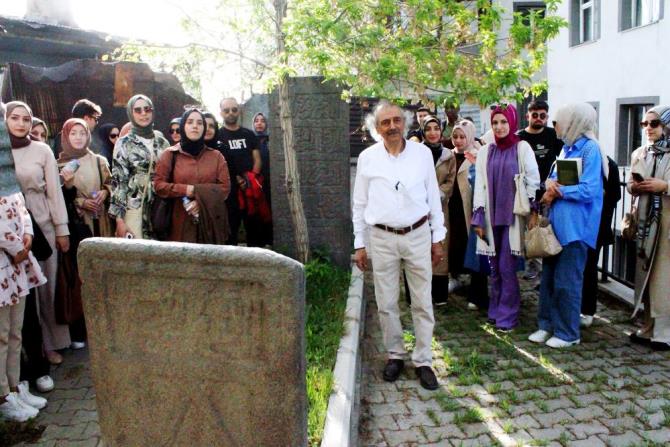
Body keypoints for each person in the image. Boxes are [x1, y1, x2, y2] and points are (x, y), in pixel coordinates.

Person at [353, 101, 445, 390]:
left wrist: (437, 237)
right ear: (376, 128)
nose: (392, 126)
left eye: (396, 120)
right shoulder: (367, 158)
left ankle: (424, 360)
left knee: (421, 300)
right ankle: (395, 354)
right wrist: (359, 243)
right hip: (381, 238)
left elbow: (433, 198)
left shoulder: (421, 155)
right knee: (387, 301)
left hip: (417, 234)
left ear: (404, 123)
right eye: (385, 122)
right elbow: (359, 204)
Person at [529, 103, 604, 348]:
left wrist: (558, 191)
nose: (555, 125)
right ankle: (546, 325)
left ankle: (568, 333)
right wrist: (550, 184)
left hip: (576, 229)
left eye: (558, 121)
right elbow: (554, 177)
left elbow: (590, 189)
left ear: (574, 122)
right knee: (549, 280)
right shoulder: (567, 148)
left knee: (567, 283)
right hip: (557, 226)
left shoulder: (590, 149)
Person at [5, 101, 71, 365]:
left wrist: (61, 229)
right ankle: (23, 352)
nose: (21, 124)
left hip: (42, 221)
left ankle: (51, 344)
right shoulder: (2, 150)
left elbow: (55, 192)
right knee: (20, 295)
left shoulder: (42, 150)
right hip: (10, 230)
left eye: (26, 119)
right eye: (14, 118)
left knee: (47, 287)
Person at [472, 104, 540, 333]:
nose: (499, 127)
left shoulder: (522, 148)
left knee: (507, 267)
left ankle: (508, 315)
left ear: (511, 122)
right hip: (491, 218)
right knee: (494, 268)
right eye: (495, 122)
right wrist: (478, 215)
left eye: (503, 122)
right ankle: (496, 309)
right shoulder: (485, 151)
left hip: (513, 218)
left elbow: (533, 179)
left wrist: (531, 208)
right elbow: (480, 185)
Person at [0, 103, 48, 422]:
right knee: (1, 334)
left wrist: (27, 237)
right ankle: (3, 394)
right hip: (4, 261)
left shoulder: (8, 172)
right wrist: (13, 245)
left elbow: (20, 205)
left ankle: (16, 387)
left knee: (16, 331)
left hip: (18, 264)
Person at [153, 108, 231, 243]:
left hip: (209, 224)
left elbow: (225, 188)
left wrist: (200, 201)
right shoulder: (170, 154)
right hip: (178, 223)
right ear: (183, 126)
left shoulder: (216, 156)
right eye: (190, 122)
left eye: (200, 123)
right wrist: (186, 189)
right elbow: (159, 185)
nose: (195, 126)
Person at [628, 105, 670, 351]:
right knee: (645, 275)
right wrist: (635, 187)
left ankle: (664, 334)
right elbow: (631, 184)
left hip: (666, 226)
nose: (648, 129)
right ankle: (647, 328)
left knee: (663, 278)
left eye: (653, 123)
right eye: (644, 124)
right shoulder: (641, 152)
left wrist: (664, 186)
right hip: (646, 223)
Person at [109, 95, 170, 239]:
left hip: (159, 210)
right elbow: (119, 182)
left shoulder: (163, 143)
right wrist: (119, 220)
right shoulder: (124, 143)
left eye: (147, 109)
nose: (143, 113)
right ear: (131, 113)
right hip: (134, 210)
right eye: (138, 110)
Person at [518, 100, 564, 281]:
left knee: (546, 229)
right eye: (534, 115)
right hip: (527, 192)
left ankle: (546, 268)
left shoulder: (553, 136)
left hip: (549, 193)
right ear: (527, 115)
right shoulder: (519, 137)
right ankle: (532, 266)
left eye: (543, 116)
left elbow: (563, 161)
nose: (538, 119)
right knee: (529, 230)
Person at [449, 120, 489, 310]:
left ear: (470, 137)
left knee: (475, 249)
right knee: (455, 245)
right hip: (454, 209)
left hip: (471, 209)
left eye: (462, 136)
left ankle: (477, 292)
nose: (458, 140)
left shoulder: (478, 155)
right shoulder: (448, 156)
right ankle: (456, 278)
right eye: (455, 137)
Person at [580, 156, 620, 328]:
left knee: (589, 268)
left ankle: (587, 310)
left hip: (596, 226)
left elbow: (615, 196)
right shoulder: (574, 157)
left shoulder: (608, 164)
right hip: (580, 224)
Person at [218, 98, 264, 246]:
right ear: (221, 113)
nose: (231, 113)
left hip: (251, 189)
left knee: (254, 229)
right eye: (226, 110)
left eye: (234, 109)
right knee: (231, 228)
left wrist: (252, 179)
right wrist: (237, 179)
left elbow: (257, 158)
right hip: (229, 190)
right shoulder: (218, 136)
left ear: (239, 110)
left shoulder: (249, 134)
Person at [421, 116, 455, 303]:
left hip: (441, 208)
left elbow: (450, 181)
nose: (432, 132)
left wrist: (437, 195)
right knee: (419, 248)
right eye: (428, 129)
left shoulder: (448, 155)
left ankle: (440, 294)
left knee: (440, 244)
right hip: (418, 208)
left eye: (436, 128)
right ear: (423, 132)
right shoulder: (416, 153)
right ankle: (420, 294)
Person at [252, 112, 273, 246]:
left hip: (270, 179)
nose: (259, 123)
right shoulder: (250, 139)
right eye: (257, 121)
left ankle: (269, 238)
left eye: (262, 121)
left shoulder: (271, 140)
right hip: (255, 179)